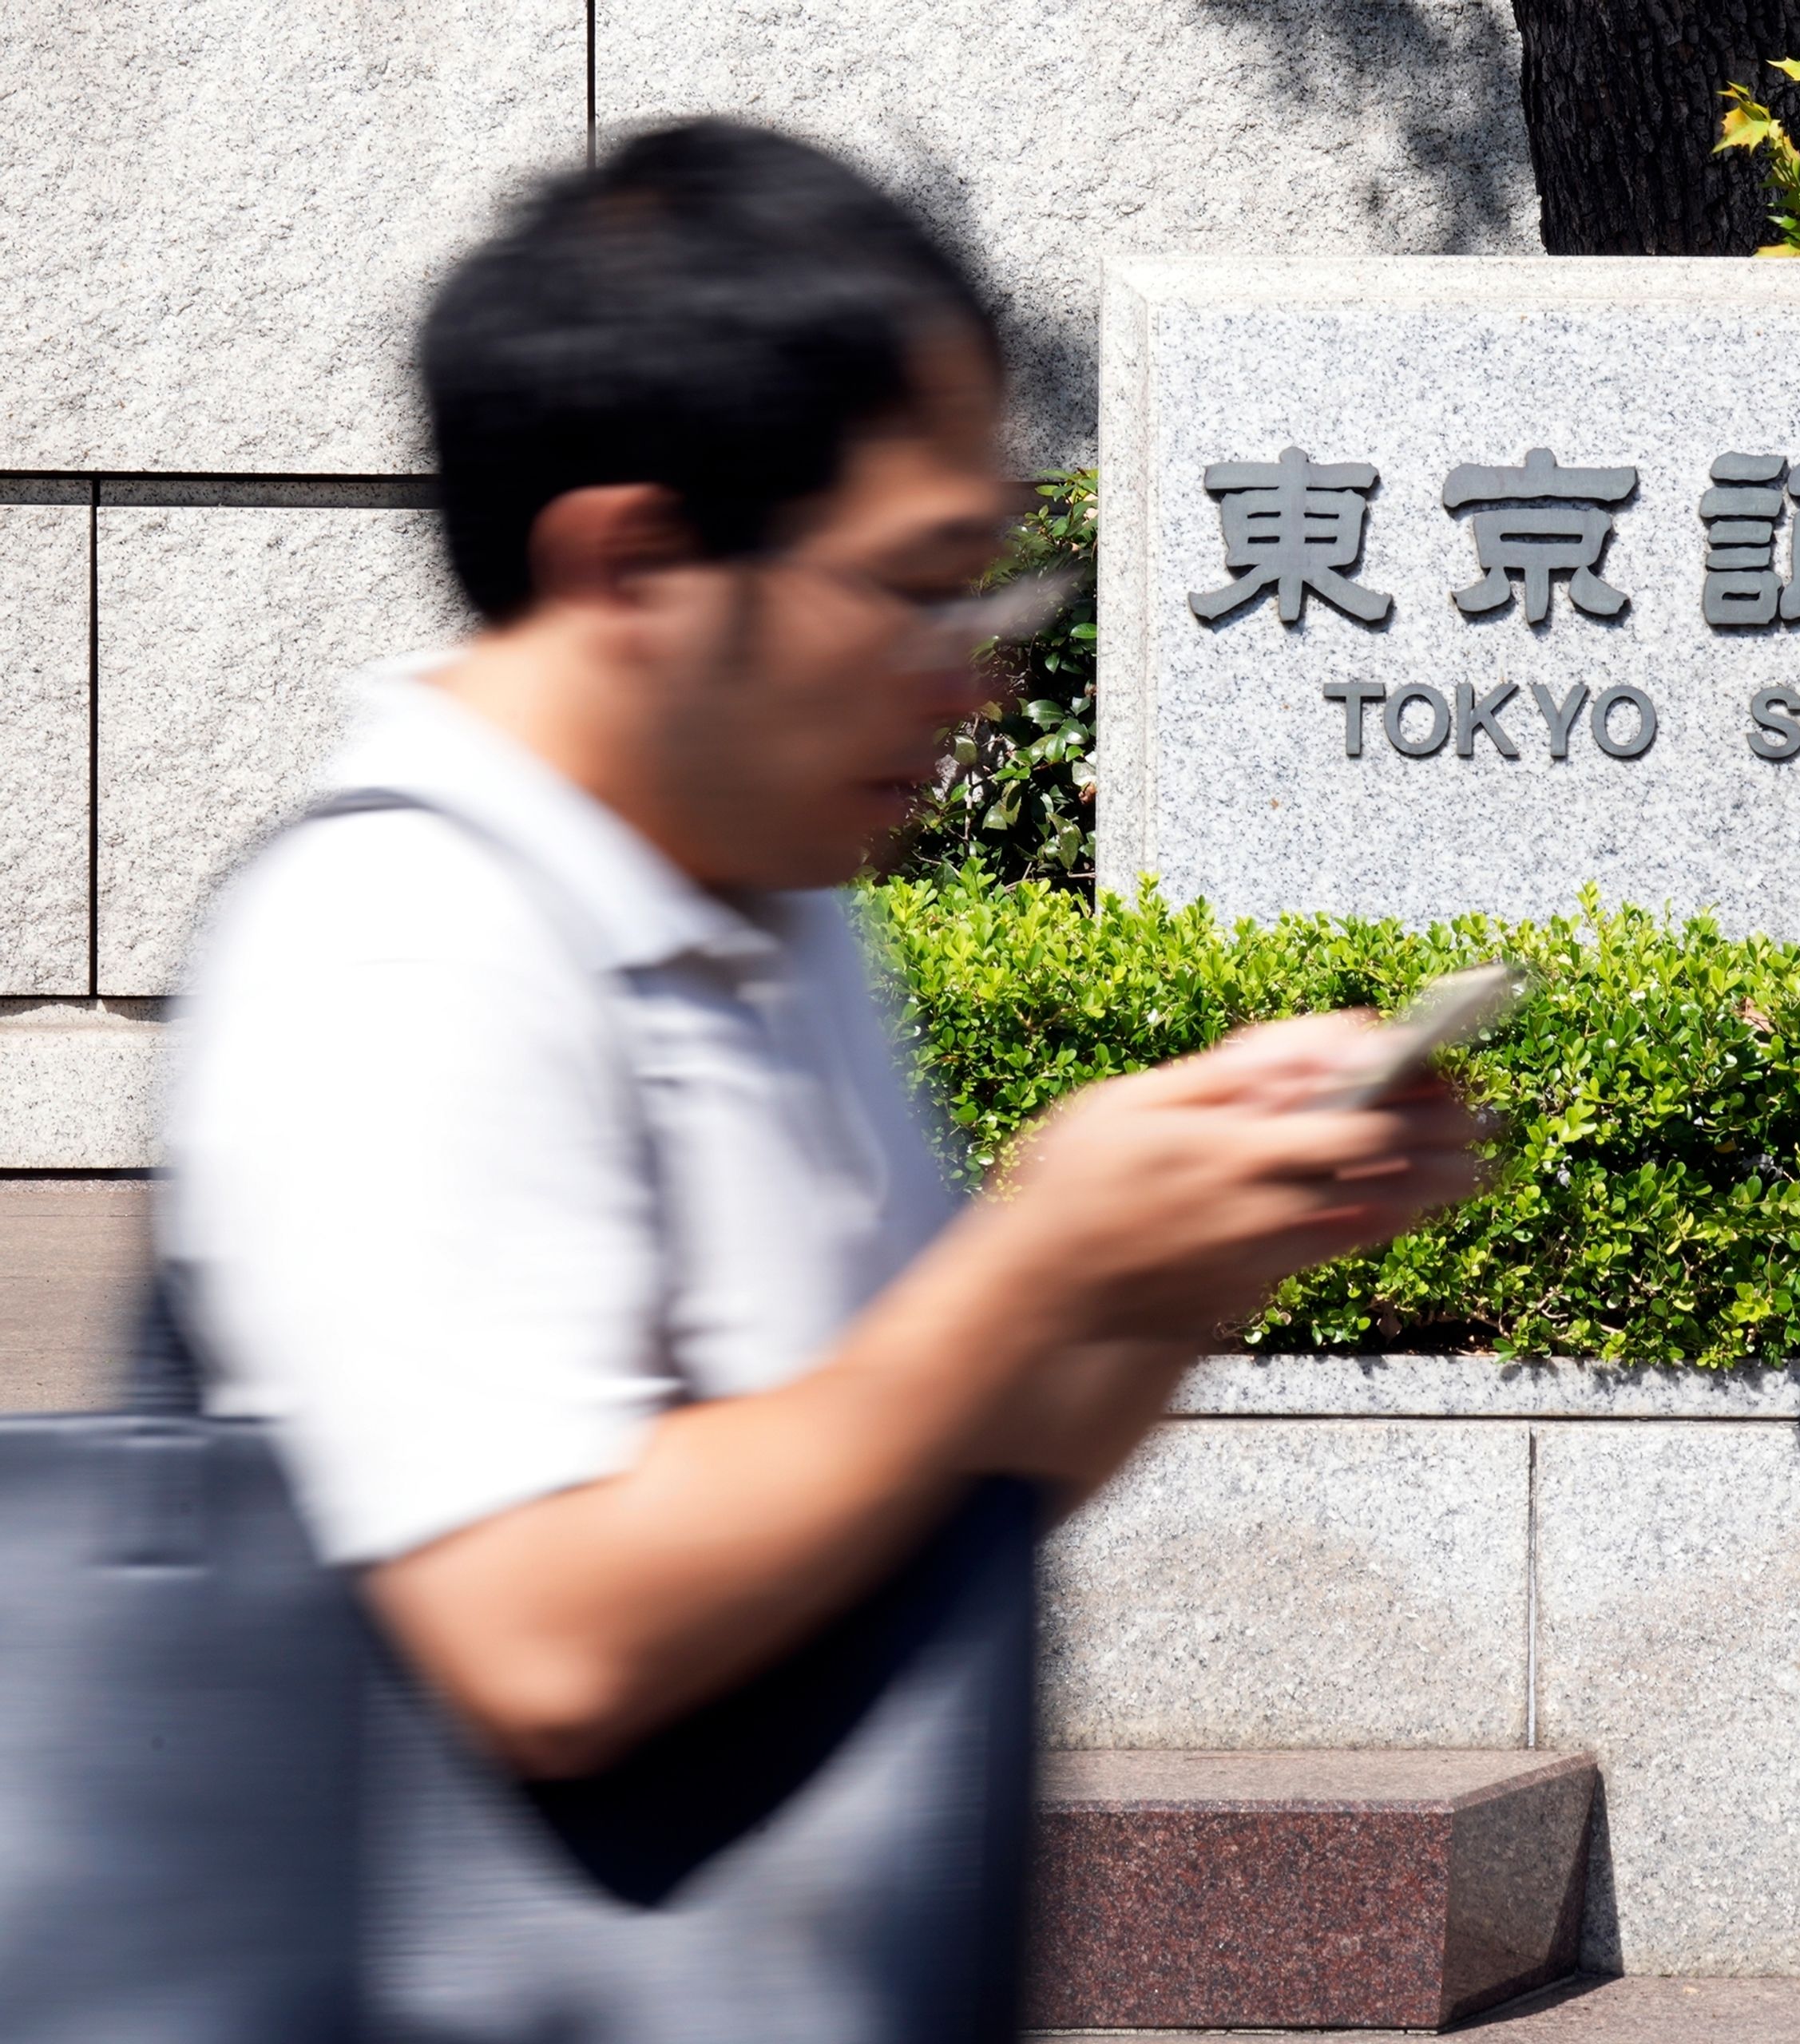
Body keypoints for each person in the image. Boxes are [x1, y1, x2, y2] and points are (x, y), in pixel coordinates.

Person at [160, 121, 1481, 1792]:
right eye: (918, 589)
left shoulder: (773, 900)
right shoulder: (402, 946)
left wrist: (1186, 1255)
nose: (970, 676)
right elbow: (545, 1638)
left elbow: (934, 1472)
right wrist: (1035, 1267)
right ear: (635, 567)